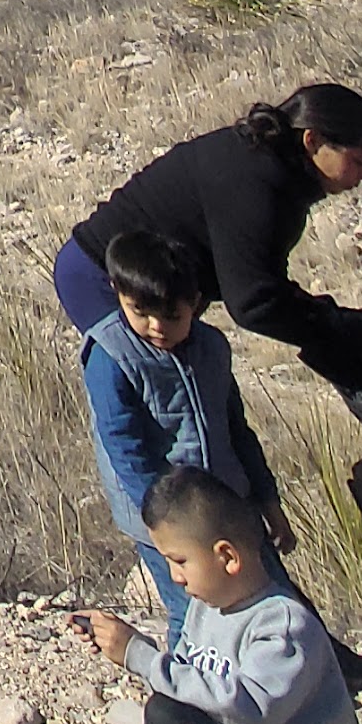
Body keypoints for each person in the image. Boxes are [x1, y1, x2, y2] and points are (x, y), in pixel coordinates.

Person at [64, 466, 362, 724]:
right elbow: (187, 693)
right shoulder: (204, 610)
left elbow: (252, 717)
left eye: (179, 561)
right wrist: (123, 646)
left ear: (227, 556)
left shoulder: (283, 625)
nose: (175, 577)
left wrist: (141, 656)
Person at [59, 85, 362, 376]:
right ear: (312, 141)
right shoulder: (257, 181)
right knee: (161, 406)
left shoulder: (274, 168)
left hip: (158, 288)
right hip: (104, 279)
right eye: (358, 162)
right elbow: (254, 302)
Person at [83, 230, 284, 644]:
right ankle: (184, 703)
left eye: (172, 316)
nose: (156, 326)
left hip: (229, 504)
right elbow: (124, 447)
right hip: (165, 519)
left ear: (195, 303)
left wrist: (267, 500)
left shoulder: (212, 347)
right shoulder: (110, 356)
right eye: (140, 311)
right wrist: (161, 522)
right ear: (116, 290)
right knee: (191, 617)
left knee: (271, 602)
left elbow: (237, 430)